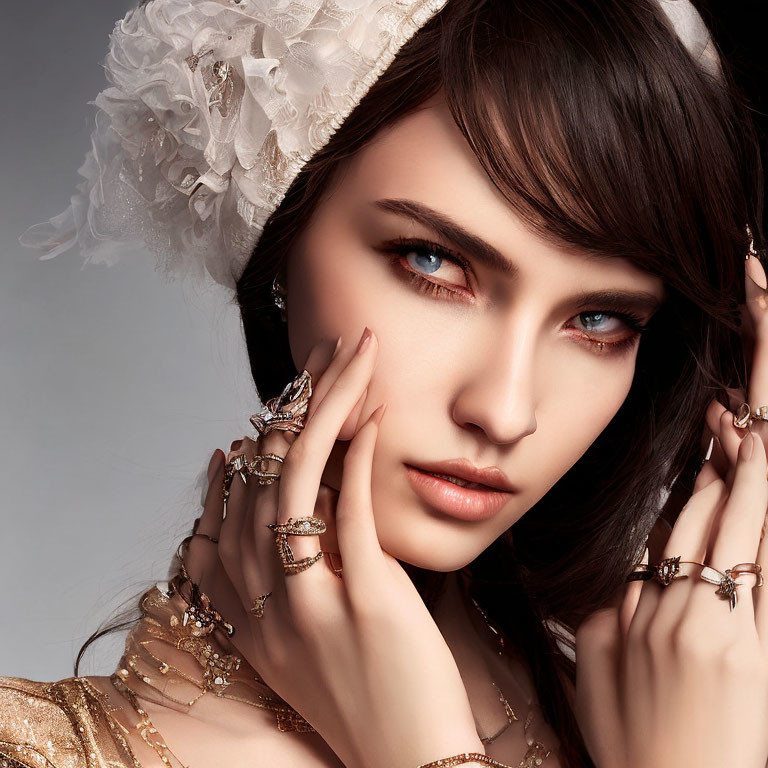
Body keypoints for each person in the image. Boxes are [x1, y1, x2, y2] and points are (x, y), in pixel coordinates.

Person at [2, 0, 768, 766]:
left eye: (600, 319)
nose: (503, 412)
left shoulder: (684, 714)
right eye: (432, 263)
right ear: (281, 233)